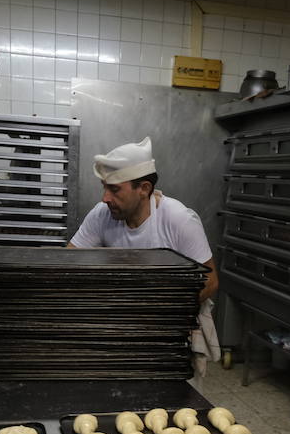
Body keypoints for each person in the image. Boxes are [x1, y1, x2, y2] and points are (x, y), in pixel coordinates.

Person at [70, 137, 221, 366]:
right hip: (122, 327)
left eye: (114, 189)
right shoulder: (102, 214)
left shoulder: (178, 220)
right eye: (104, 188)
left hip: (172, 329)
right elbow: (69, 260)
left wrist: (157, 315)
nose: (105, 198)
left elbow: (210, 281)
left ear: (144, 189)